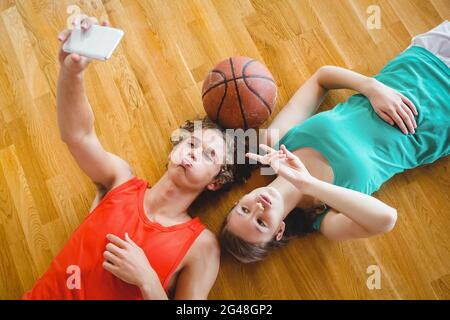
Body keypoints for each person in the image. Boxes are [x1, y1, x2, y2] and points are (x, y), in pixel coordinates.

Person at [23, 15, 249, 299]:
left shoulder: (201, 247)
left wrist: (148, 281)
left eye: (208, 154)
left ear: (216, 181)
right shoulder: (120, 180)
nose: (193, 152)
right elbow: (78, 135)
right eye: (192, 143)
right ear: (174, 150)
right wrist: (72, 71)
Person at [220, 21, 450, 263]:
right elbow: (386, 219)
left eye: (244, 209)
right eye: (261, 223)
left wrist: (371, 88)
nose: (258, 207)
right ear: (279, 231)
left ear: (239, 201)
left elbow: (322, 77)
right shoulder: (325, 219)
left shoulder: (273, 143)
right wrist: (307, 184)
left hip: (423, 61)